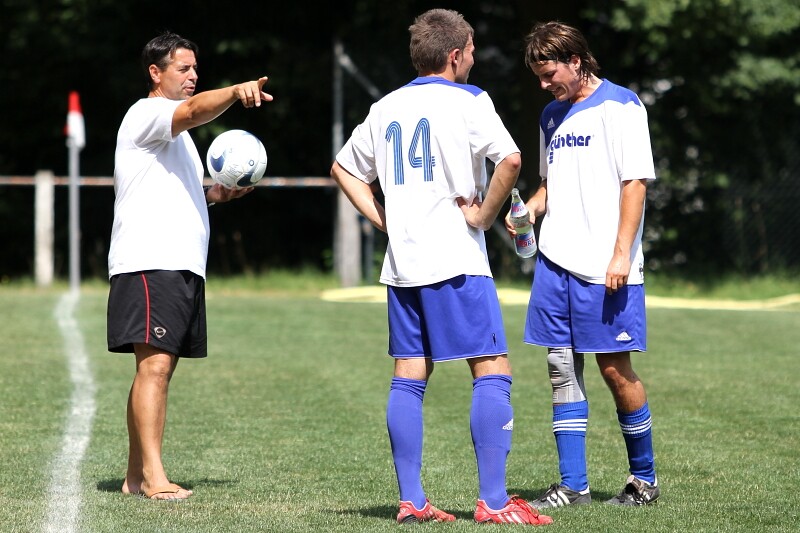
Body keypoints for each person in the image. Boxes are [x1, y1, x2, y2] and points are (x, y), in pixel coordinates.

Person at [331, 9, 553, 526]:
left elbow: (343, 168)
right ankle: (493, 502)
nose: (474, 59)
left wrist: (384, 220)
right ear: (455, 55)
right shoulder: (469, 99)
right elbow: (511, 160)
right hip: (455, 258)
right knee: (492, 368)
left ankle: (412, 500)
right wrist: (483, 216)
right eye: (471, 51)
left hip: (403, 264)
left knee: (409, 375)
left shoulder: (386, 105)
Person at [107, 31, 272, 501]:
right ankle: (155, 479)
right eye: (183, 68)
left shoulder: (176, 140)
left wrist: (213, 195)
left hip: (177, 264)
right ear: (155, 73)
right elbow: (195, 110)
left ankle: (135, 476)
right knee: (155, 368)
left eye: (195, 68)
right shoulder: (148, 114)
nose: (193, 76)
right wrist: (236, 91)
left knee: (156, 368)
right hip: (150, 260)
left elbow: (171, 190)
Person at [511, 21, 660, 509]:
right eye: (538, 76)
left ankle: (644, 480)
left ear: (576, 61)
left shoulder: (623, 106)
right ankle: (573, 486)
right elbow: (550, 184)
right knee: (560, 367)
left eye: (549, 73)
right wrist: (531, 209)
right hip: (555, 262)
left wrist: (621, 253)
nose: (544, 84)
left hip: (606, 265)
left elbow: (634, 184)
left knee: (615, 370)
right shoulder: (551, 115)